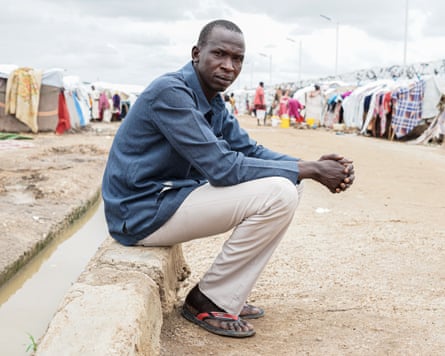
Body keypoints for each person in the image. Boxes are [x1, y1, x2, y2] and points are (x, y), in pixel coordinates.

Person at [101, 19, 354, 338]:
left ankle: (227, 295)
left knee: (291, 184)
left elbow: (250, 150)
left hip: (168, 199)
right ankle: (207, 300)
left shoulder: (212, 101)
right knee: (278, 192)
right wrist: (314, 170)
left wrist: (310, 166)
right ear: (196, 53)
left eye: (237, 59)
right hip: (139, 213)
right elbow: (223, 168)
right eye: (219, 54)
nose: (229, 66)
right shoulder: (171, 92)